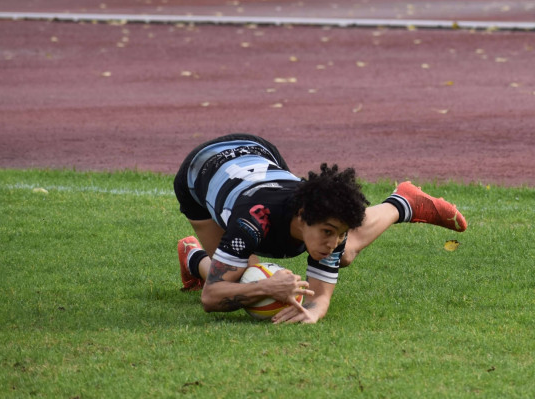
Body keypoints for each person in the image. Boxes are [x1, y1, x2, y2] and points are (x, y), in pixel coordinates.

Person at [173, 133, 467, 324]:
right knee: (243, 279)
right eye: (327, 231)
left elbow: (320, 296)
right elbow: (211, 298)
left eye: (339, 232)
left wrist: (312, 314)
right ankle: (193, 256)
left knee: (345, 254)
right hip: (199, 171)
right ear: (302, 216)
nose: (333, 241)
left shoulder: (326, 226)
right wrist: (267, 287)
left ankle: (402, 203)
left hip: (260, 152)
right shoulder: (252, 223)